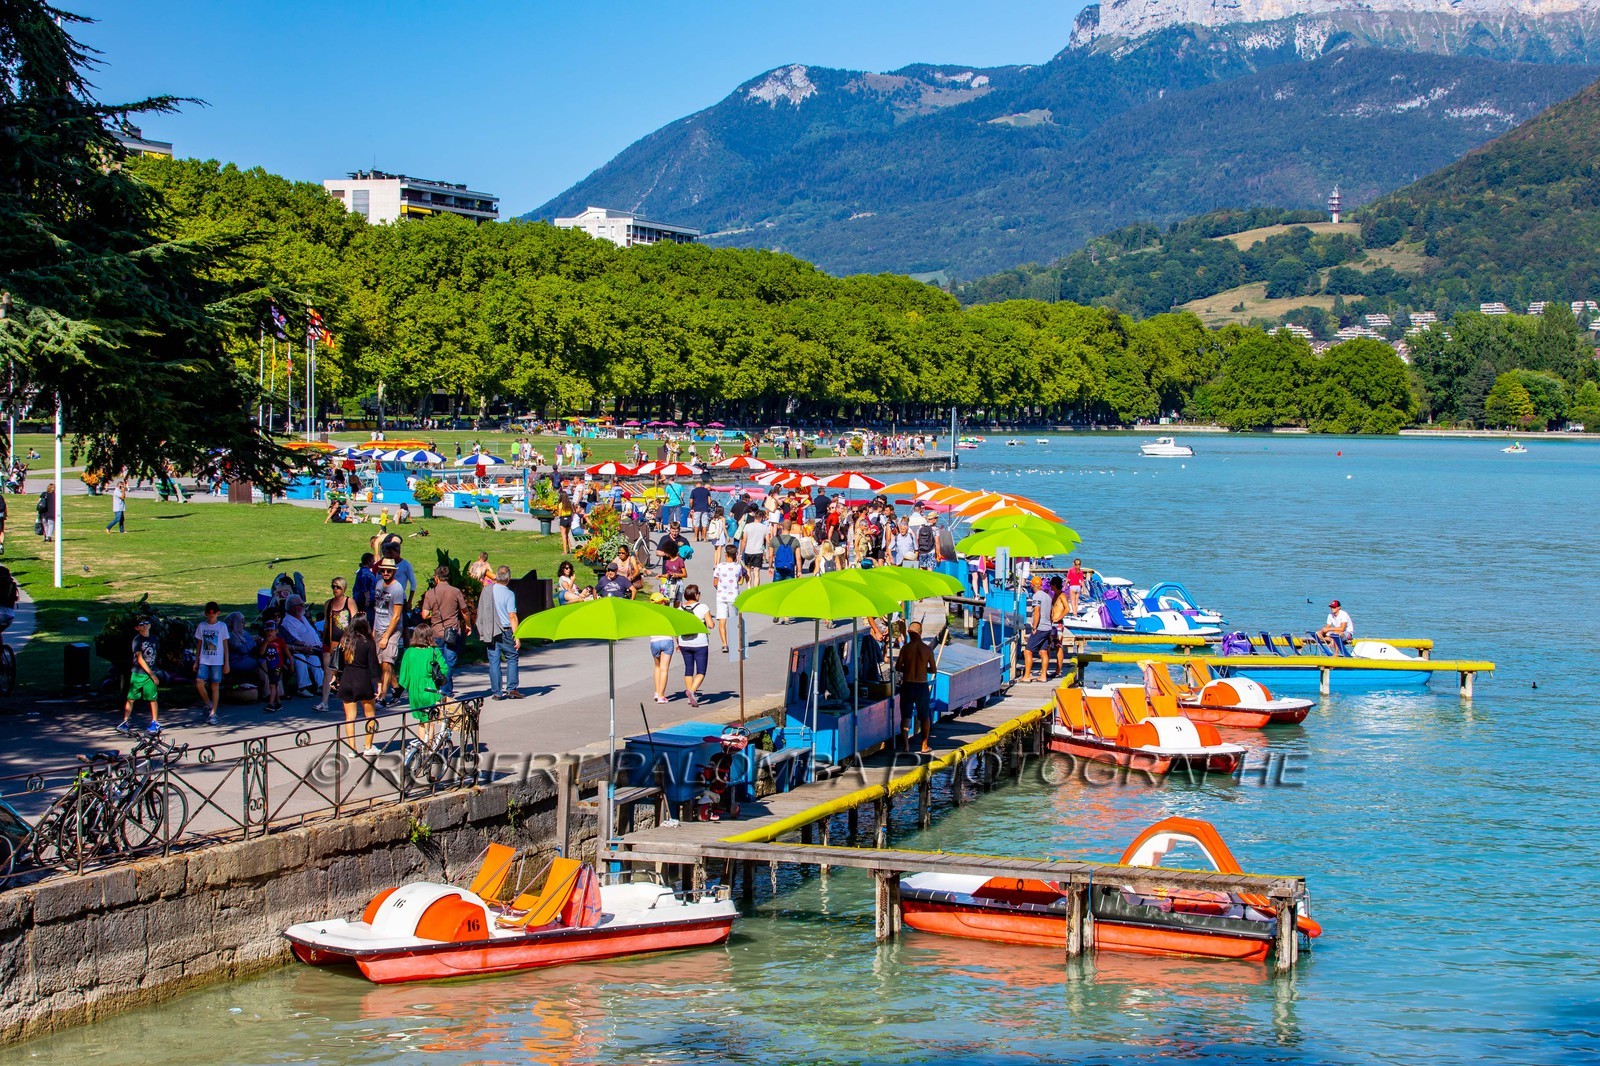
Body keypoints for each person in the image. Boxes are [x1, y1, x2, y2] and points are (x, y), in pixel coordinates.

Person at [398, 624, 449, 753]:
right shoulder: (433, 651)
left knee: (421, 720)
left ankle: (422, 747)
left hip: (414, 691)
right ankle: (429, 749)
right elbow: (444, 669)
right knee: (430, 721)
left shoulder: (409, 652)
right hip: (429, 689)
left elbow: (403, 676)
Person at [419, 564, 469, 695]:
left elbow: (424, 614)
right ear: (448, 577)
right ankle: (446, 691)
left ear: (436, 577)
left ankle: (442, 689)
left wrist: (433, 615)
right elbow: (465, 611)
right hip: (452, 631)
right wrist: (468, 624)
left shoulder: (430, 593)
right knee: (449, 662)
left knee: (439, 662)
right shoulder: (456, 591)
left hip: (436, 632)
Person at [477, 565, 523, 699]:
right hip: (505, 630)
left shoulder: (487, 590)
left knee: (494, 661)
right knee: (512, 657)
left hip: (490, 630)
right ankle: (511, 688)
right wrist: (517, 636)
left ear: (497, 576)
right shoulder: (509, 594)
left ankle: (497, 692)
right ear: (508, 578)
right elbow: (512, 616)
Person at [338, 616, 380, 756]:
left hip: (347, 679)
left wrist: (336, 678)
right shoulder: (368, 642)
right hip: (363, 680)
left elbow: (339, 662)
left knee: (350, 717)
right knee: (370, 715)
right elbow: (373, 666)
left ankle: (352, 749)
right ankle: (368, 746)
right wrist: (379, 684)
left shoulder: (345, 640)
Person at [896, 621, 937, 753]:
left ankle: (906, 746)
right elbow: (933, 670)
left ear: (908, 632)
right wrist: (923, 669)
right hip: (921, 686)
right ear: (921, 633)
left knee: (905, 717)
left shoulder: (905, 649)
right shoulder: (927, 649)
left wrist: (908, 668)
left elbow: (897, 667)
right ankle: (924, 745)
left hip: (907, 685)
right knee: (924, 716)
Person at [118, 617, 162, 736]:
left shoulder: (154, 639)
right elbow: (140, 659)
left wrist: (154, 672)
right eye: (141, 624)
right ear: (137, 628)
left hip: (151, 673)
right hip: (138, 673)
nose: (144, 625)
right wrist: (152, 675)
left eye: (146, 623)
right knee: (131, 697)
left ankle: (155, 722)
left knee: (152, 698)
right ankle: (125, 722)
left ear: (150, 625)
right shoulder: (137, 640)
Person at [373, 557, 407, 705]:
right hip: (378, 627)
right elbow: (377, 608)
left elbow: (397, 615)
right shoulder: (379, 584)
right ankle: (396, 687)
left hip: (392, 630)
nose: (385, 573)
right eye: (383, 570)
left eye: (388, 570)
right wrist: (374, 631)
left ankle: (382, 697)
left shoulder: (397, 588)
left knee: (387, 661)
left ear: (394, 571)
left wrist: (386, 636)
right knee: (381, 662)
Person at [279, 595, 327, 699]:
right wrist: (305, 647)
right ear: (293, 607)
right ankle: (302, 687)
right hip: (298, 652)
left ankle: (321, 685)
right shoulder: (288, 622)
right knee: (301, 659)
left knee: (315, 659)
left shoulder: (302, 617)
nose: (303, 606)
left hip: (313, 649)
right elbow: (294, 640)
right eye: (301, 605)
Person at [319, 576, 352, 713]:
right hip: (329, 641)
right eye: (333, 586)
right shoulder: (329, 603)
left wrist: (349, 639)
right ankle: (324, 702)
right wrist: (324, 637)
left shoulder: (349, 602)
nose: (335, 589)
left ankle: (347, 701)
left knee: (343, 671)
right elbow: (327, 623)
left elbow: (354, 621)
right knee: (327, 671)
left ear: (343, 588)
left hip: (344, 642)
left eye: (337, 587)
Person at [193, 600, 229, 726]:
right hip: (204, 659)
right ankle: (208, 704)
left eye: (213, 613)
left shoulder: (222, 626)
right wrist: (196, 660)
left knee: (215, 685)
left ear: (218, 613)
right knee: (199, 682)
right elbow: (199, 644)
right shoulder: (202, 626)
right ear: (206, 614)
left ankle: (213, 713)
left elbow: (225, 645)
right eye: (209, 613)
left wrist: (226, 663)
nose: (211, 615)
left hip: (217, 661)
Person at [678, 584, 714, 706]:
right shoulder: (703, 607)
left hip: (684, 642)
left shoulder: (680, 608)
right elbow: (711, 625)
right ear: (696, 594)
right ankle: (692, 692)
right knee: (701, 671)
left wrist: (677, 642)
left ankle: (690, 697)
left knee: (688, 669)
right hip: (700, 643)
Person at [711, 545, 745, 654]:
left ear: (725, 554)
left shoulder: (719, 566)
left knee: (722, 621)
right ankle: (735, 643)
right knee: (734, 620)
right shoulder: (738, 567)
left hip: (721, 597)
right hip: (733, 596)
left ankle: (724, 644)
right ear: (735, 555)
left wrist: (720, 588)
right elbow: (739, 579)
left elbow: (715, 583)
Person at [255, 619, 291, 713]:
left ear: (276, 631)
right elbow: (261, 653)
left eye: (272, 630)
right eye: (267, 631)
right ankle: (278, 702)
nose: (269, 633)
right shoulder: (265, 641)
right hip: (270, 666)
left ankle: (271, 704)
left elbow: (287, 653)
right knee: (274, 684)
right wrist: (266, 643)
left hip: (278, 666)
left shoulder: (280, 641)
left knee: (272, 685)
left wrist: (291, 663)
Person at [1023, 579, 1054, 684]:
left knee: (1028, 651)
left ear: (1032, 585)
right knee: (1043, 651)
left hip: (1040, 627)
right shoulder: (1048, 596)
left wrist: (1034, 627)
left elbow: (1037, 611)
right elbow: (1051, 613)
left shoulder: (1037, 596)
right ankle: (1043, 675)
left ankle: (1027, 676)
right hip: (1048, 628)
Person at [740, 509, 769, 586]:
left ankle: (749, 587)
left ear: (754, 517)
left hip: (748, 551)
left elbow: (744, 540)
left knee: (748, 570)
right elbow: (768, 541)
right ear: (761, 518)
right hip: (758, 552)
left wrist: (740, 552)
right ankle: (755, 589)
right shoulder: (765, 528)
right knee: (756, 572)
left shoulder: (747, 526)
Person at [352, 551, 378, 629]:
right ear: (368, 561)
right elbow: (365, 587)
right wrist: (367, 599)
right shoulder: (365, 573)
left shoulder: (362, 571)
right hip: (365, 603)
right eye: (372, 560)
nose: (374, 561)